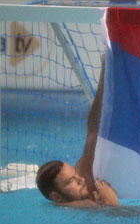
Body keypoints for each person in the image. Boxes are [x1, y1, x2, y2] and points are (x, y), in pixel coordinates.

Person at [36, 57, 118, 207]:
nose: (81, 179)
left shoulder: (83, 176)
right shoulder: (74, 206)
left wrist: (105, 70)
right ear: (57, 198)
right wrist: (112, 204)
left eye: (74, 173)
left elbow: (93, 130)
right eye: (71, 181)